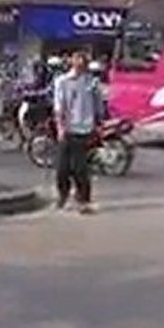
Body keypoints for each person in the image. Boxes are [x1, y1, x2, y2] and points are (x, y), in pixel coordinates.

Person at [53, 51, 103, 214]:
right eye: (78, 62)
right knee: (62, 168)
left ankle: (83, 199)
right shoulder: (62, 82)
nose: (80, 66)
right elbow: (59, 106)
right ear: (72, 63)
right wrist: (60, 127)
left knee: (80, 168)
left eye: (83, 63)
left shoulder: (91, 83)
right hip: (67, 128)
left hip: (84, 129)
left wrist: (98, 123)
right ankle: (63, 195)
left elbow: (98, 105)